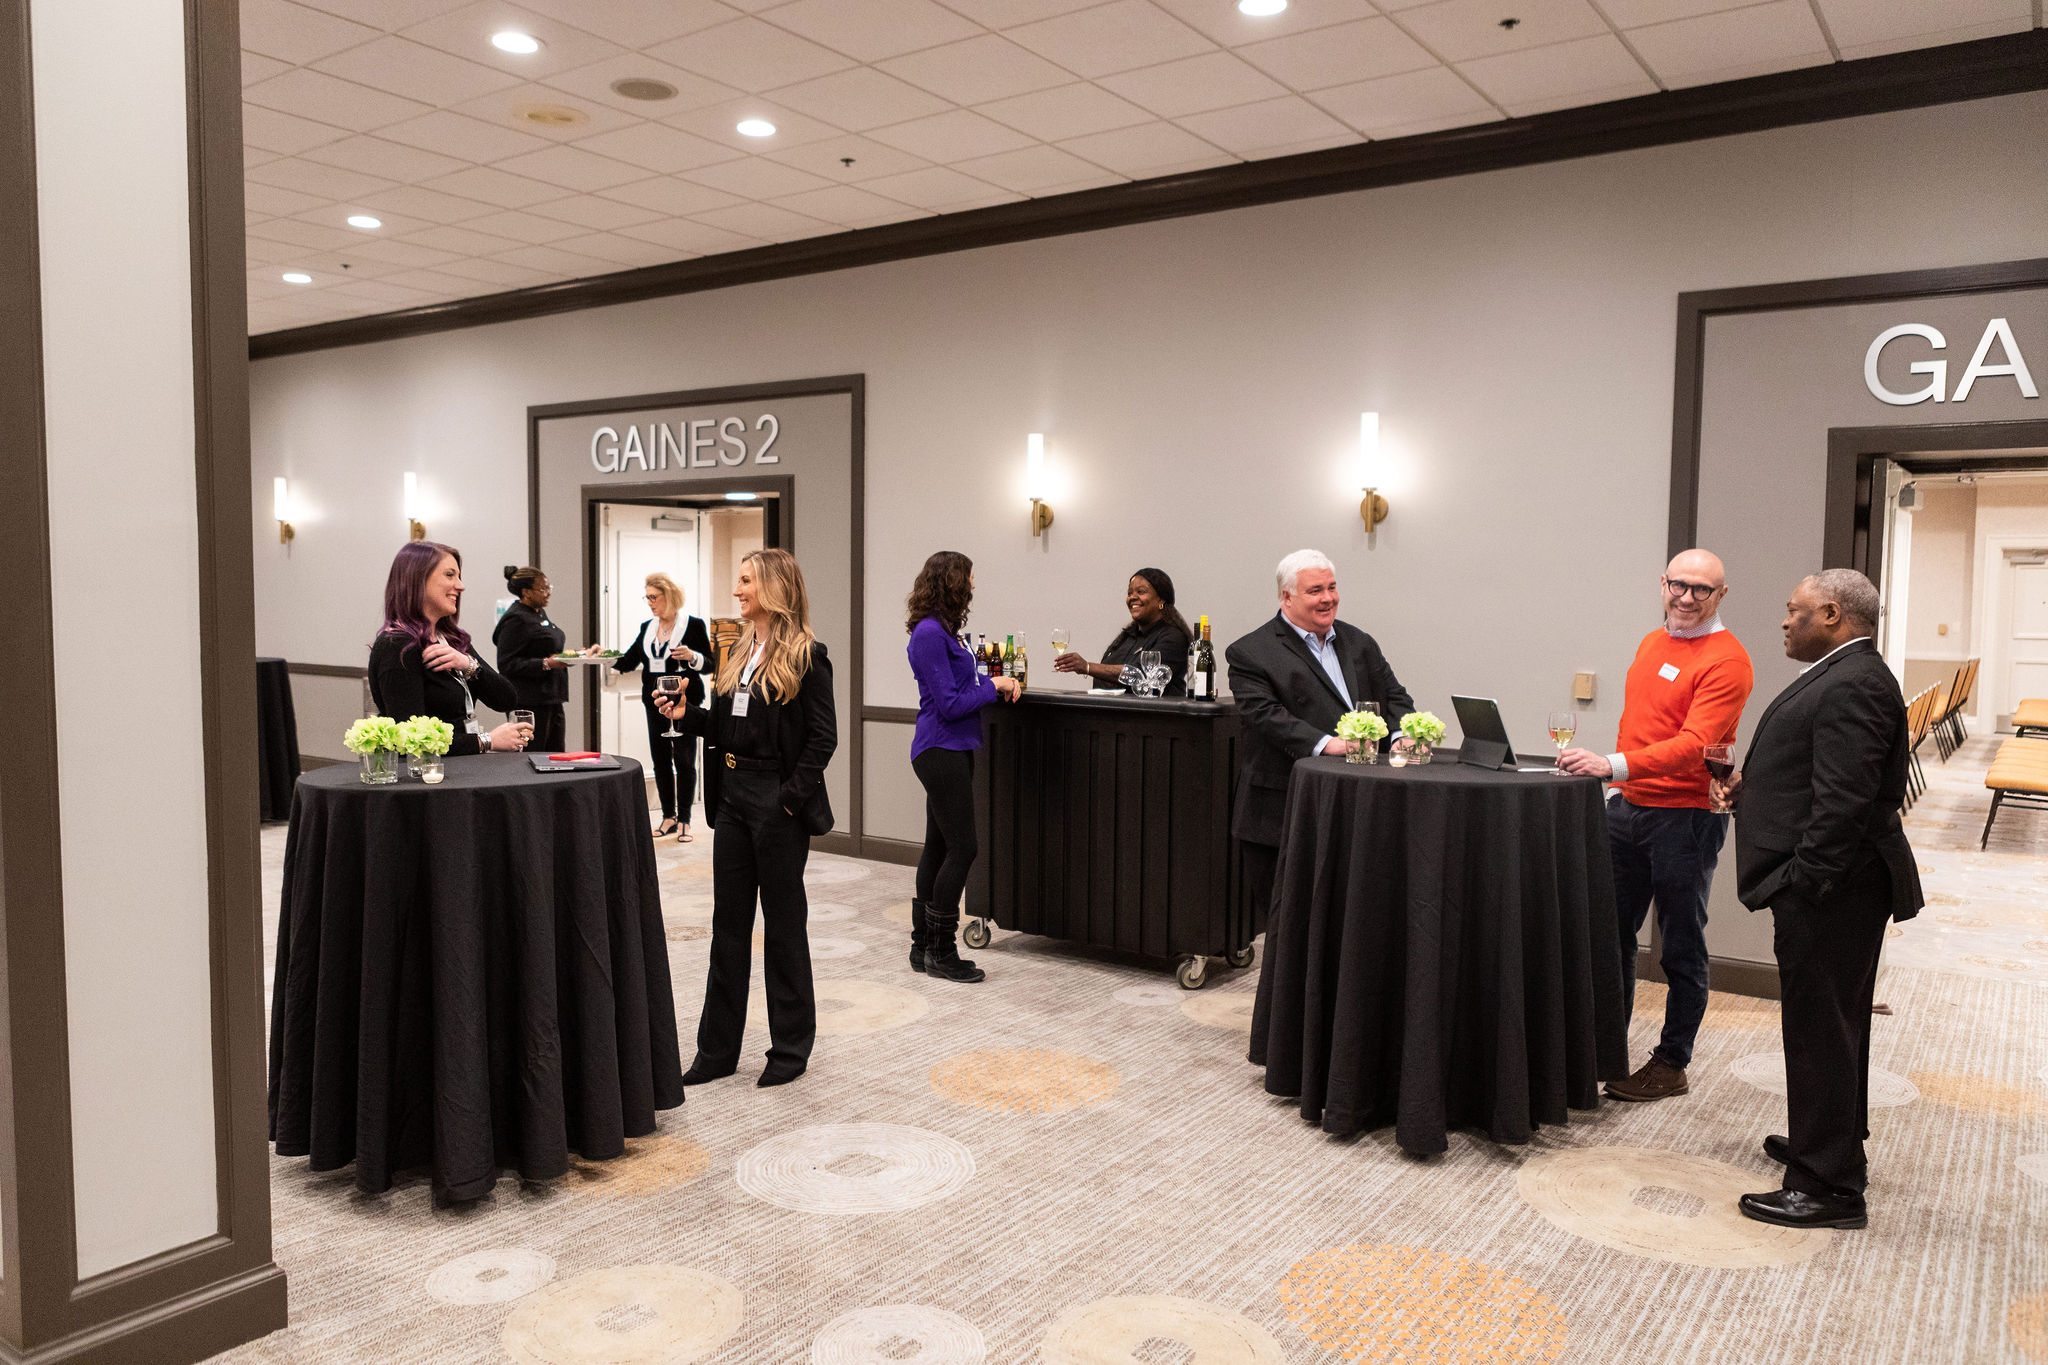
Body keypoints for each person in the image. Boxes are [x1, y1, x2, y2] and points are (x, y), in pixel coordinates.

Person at [1711, 569, 1922, 1230]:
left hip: (1834, 889)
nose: (1783, 619)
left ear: (1831, 613)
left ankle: (1826, 1185)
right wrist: (1756, 791)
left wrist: (1804, 881)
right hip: (1841, 883)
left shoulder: (1855, 681)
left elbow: (1845, 804)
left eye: (1793, 609)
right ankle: (1829, 1146)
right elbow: (1816, 776)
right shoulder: (1847, 671)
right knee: (1835, 1024)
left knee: (1820, 1028)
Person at [1558, 549, 1754, 1103]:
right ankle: (1605, 1050)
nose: (1687, 598)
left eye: (1702, 590)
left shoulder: (1729, 660)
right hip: (1627, 808)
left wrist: (1612, 766)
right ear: (1662, 584)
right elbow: (1642, 727)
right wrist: (1620, 782)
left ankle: (1672, 1063)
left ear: (1720, 596)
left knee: (1679, 946)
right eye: (1678, 585)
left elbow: (1695, 745)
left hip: (1686, 817)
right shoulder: (1652, 641)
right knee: (1610, 938)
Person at [654, 549, 836, 1089]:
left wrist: (787, 800)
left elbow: (822, 738)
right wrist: (689, 717)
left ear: (775, 588)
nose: (737, 591)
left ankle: (790, 1048)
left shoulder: (808, 655)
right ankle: (717, 1052)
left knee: (783, 928)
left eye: (746, 581)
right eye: (738, 581)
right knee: (727, 927)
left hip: (776, 804)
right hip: (732, 800)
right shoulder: (735, 649)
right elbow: (731, 728)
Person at [1227, 549, 1413, 1057]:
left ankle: (1350, 1042)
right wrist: (1328, 744)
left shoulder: (1360, 642)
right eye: (1315, 591)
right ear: (1286, 596)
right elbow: (1266, 717)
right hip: (1283, 812)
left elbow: (1396, 698)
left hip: (1358, 809)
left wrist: (1399, 735)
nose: (1328, 598)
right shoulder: (1250, 651)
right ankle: (1291, 1049)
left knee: (1349, 931)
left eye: (1331, 587)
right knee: (1291, 937)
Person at [904, 551, 1022, 983]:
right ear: (953, 582)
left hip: (951, 747)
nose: (974, 585)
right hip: (940, 747)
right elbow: (951, 704)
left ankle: (922, 947)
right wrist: (996, 685)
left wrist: (986, 684)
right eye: (971, 578)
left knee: (938, 847)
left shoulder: (943, 631)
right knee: (964, 848)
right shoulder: (931, 633)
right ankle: (941, 950)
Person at [369, 541, 530, 756]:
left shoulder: (452, 639)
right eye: (449, 575)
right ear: (418, 580)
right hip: (426, 780)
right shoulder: (397, 645)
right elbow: (410, 740)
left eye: (459, 576)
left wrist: (468, 664)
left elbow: (507, 699)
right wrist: (486, 740)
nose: (460, 586)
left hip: (461, 769)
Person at [614, 573, 712, 841]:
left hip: (685, 702)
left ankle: (686, 820)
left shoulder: (693, 625)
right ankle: (668, 816)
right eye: (647, 597)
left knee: (684, 761)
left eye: (653, 597)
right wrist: (601, 657)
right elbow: (629, 659)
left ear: (668, 596)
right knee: (660, 760)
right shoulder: (648, 627)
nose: (649, 603)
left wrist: (692, 657)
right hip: (654, 702)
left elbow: (710, 663)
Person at [492, 565, 591, 753]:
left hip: (551, 698)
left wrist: (575, 654)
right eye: (543, 589)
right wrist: (546, 663)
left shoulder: (538, 613)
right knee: (534, 758)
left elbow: (545, 648)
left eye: (549, 588)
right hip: (529, 703)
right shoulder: (515, 619)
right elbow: (506, 665)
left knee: (555, 757)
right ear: (526, 592)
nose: (548, 593)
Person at [1053, 568, 1193, 695]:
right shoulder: (1128, 637)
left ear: (1161, 600)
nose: (1132, 597)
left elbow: (1140, 676)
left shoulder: (1173, 638)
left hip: (1155, 719)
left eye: (1141, 592)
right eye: (1129, 593)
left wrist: (1087, 667)